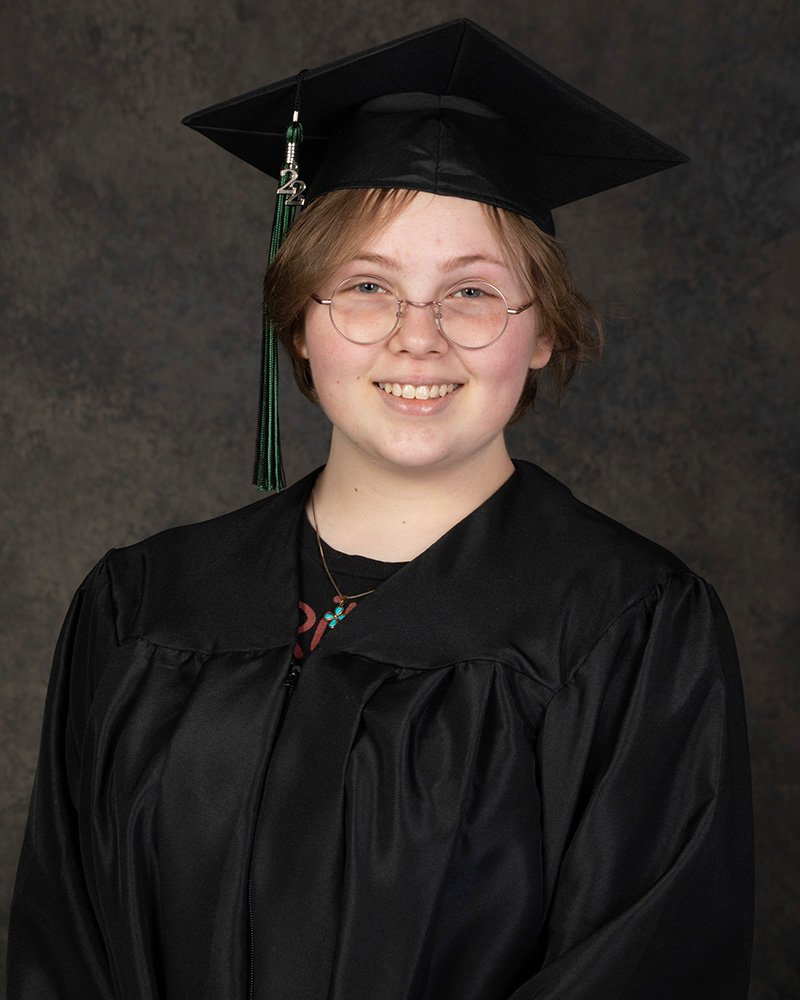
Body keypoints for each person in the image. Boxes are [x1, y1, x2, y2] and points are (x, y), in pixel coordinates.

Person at [7, 19, 753, 1000]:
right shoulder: (142, 605)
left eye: (472, 293)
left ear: (540, 334)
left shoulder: (630, 629)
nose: (417, 339)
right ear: (300, 320)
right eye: (366, 286)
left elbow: (641, 969)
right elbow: (64, 951)